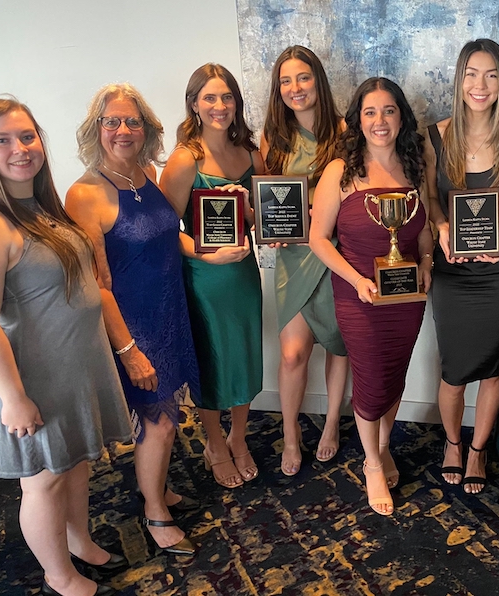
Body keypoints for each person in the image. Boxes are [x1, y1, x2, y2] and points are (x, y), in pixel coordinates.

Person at [0, 98, 132, 596]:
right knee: (44, 481)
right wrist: (13, 397)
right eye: (2, 140)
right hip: (31, 377)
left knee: (75, 464)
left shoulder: (38, 207)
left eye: (27, 136)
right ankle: (58, 575)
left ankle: (78, 542)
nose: (19, 149)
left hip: (73, 367)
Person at [66, 84, 200, 555]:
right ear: (95, 129)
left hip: (171, 311)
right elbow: (96, 285)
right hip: (134, 327)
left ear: (146, 129)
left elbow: (168, 238)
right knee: (158, 422)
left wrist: (208, 250)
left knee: (168, 413)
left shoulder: (146, 174)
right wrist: (128, 350)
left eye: (132, 122)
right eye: (112, 122)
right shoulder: (84, 194)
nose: (123, 130)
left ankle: (155, 487)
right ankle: (155, 514)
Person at [310, 77, 434, 516]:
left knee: (395, 372)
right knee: (370, 377)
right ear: (356, 120)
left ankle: (383, 445)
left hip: (407, 296)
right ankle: (371, 464)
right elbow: (319, 239)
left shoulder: (416, 165)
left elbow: (425, 225)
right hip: (358, 295)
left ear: (401, 116)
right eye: (369, 112)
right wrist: (357, 279)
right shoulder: (340, 171)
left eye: (388, 111)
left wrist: (425, 262)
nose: (379, 121)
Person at [424, 39, 499, 494]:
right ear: (459, 79)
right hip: (452, 270)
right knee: (453, 370)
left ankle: (478, 449)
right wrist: (443, 227)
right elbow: (430, 198)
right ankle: (452, 442)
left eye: (490, 75)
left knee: (493, 369)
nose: (480, 85)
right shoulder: (435, 136)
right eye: (471, 73)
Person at [159, 64, 263, 489]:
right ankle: (215, 444)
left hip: (242, 273)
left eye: (227, 98)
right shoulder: (186, 159)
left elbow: (259, 220)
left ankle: (239, 438)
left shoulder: (252, 155)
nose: (220, 106)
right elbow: (164, 235)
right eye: (210, 98)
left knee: (244, 356)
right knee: (213, 363)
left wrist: (247, 207)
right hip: (204, 280)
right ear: (194, 104)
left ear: (236, 103)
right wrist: (208, 255)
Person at [260, 46, 349, 476]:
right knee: (293, 354)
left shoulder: (347, 132)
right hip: (294, 258)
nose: (296, 88)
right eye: (286, 81)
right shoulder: (272, 138)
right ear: (279, 90)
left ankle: (332, 423)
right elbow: (267, 201)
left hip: (335, 256)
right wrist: (268, 226)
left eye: (304, 78)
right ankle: (291, 434)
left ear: (319, 81)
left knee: (339, 345)